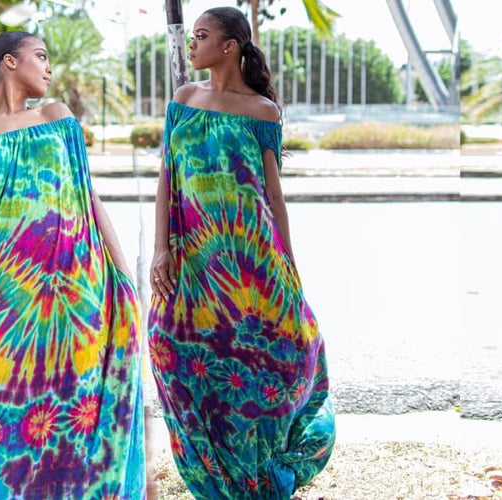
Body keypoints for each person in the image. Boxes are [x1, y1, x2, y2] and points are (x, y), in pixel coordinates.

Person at [0, 31, 145, 499]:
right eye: (41, 56)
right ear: (7, 62)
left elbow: (88, 197)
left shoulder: (55, 116)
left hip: (71, 295)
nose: (49, 67)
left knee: (70, 421)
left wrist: (122, 280)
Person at [147, 7, 334, 499]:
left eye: (203, 35)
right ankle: (215, 471)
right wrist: (159, 249)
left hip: (254, 263)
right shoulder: (183, 99)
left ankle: (259, 469)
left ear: (230, 46)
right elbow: (168, 177)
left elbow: (274, 196)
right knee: (172, 349)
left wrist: (289, 267)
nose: (193, 43)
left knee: (262, 362)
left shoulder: (262, 111)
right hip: (193, 259)